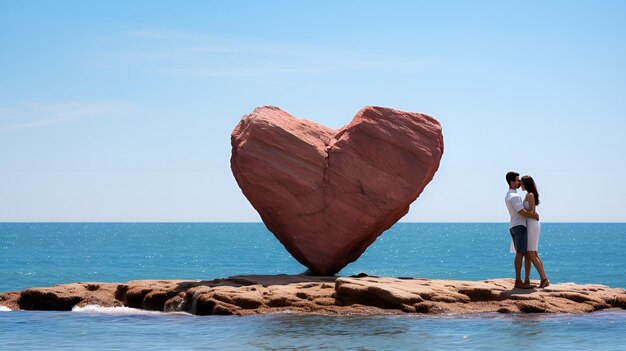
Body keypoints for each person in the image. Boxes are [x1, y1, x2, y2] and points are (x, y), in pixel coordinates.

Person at [505, 171, 539, 289]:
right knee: (520, 253)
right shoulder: (514, 196)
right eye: (517, 180)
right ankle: (518, 281)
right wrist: (534, 215)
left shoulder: (511, 194)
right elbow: (521, 212)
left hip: (516, 225)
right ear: (511, 182)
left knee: (524, 253)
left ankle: (526, 281)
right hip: (519, 226)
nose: (519, 182)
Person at [521, 175, 550, 288]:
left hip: (532, 224)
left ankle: (544, 279)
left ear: (526, 184)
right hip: (530, 224)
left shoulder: (530, 195)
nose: (520, 185)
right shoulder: (528, 194)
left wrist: (519, 210)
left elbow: (532, 212)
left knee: (531, 253)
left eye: (522, 183)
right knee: (530, 254)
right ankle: (527, 279)